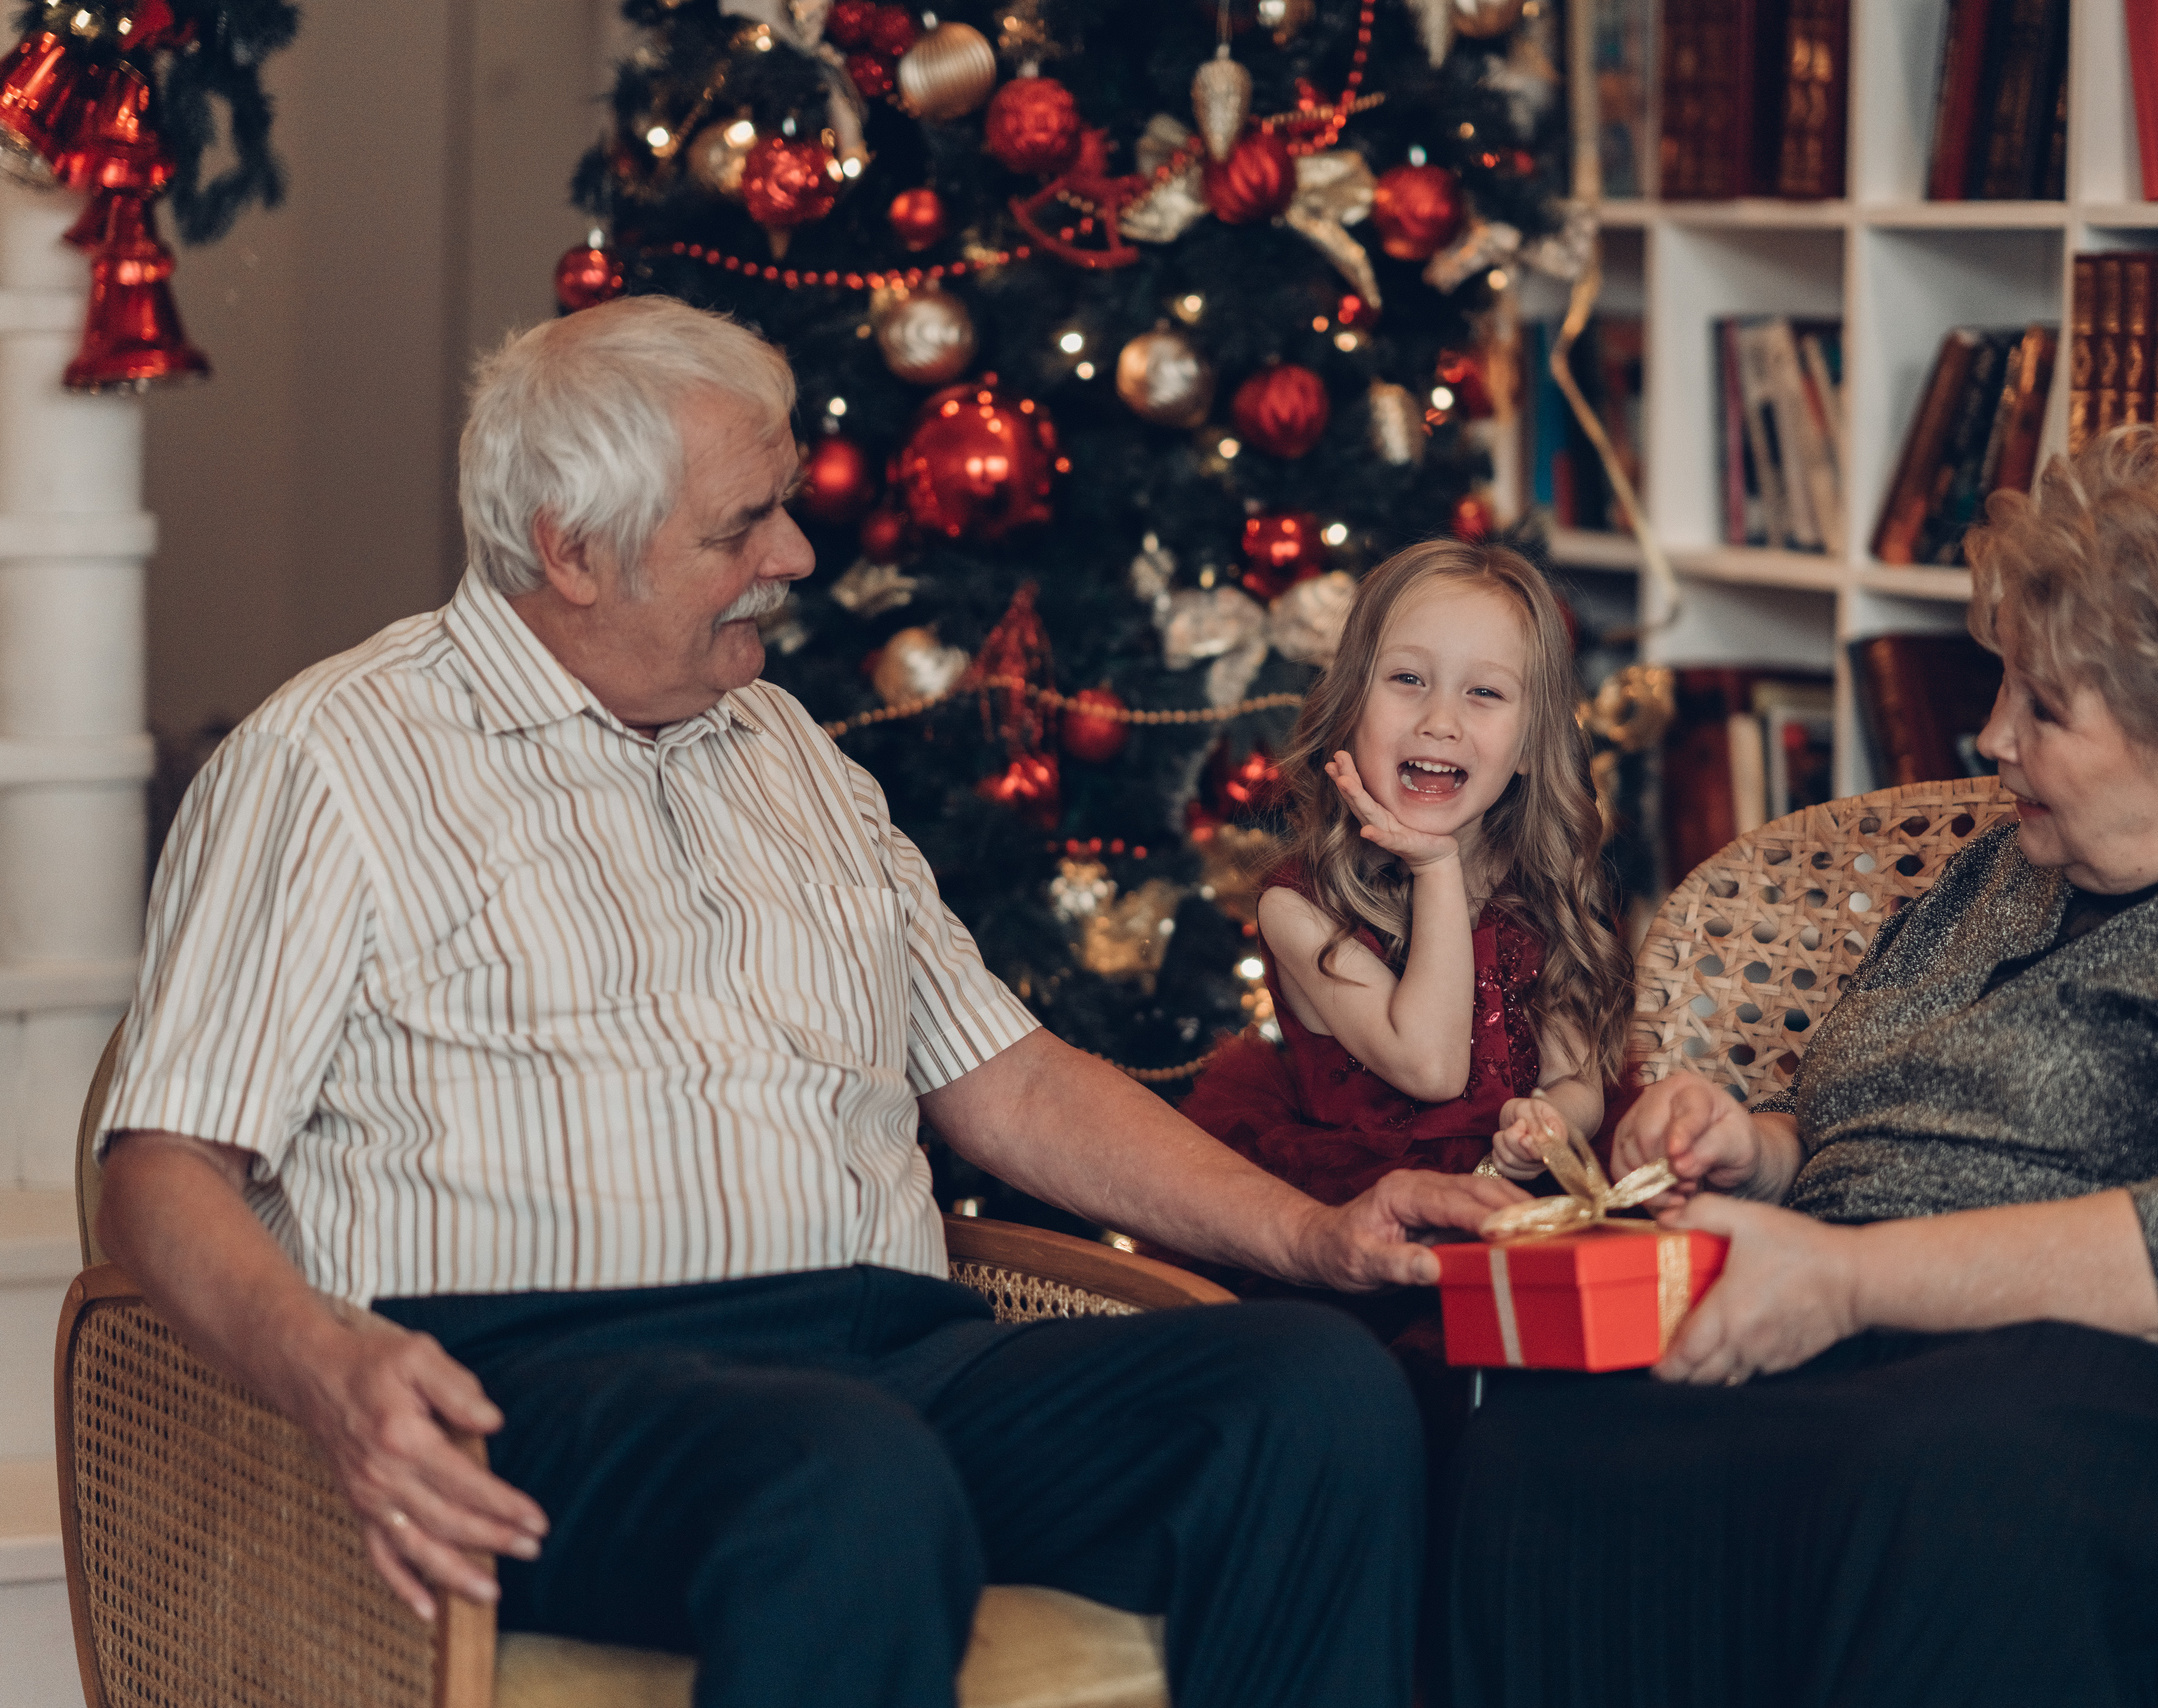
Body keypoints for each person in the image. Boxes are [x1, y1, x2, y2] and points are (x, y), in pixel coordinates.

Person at [90, 296, 1523, 1708]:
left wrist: (1312, 1235)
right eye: (739, 529)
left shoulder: (785, 749)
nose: (796, 553)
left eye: (783, 507)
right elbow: (163, 1168)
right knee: (837, 1471)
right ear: (571, 551)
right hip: (542, 1389)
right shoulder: (333, 758)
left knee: (1312, 1399)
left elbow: (1010, 1082)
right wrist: (327, 1366)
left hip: (890, 1354)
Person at [1444, 429, 2158, 1708]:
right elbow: (1879, 1119)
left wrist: (1848, 1280)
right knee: (1549, 1426)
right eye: (2004, 685)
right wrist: (1763, 1146)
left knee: (1960, 1461)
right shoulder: (2010, 870)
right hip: (1919, 1368)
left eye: (2045, 707)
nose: (1990, 734)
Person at [1178, 539, 1633, 1205]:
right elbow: (1432, 1066)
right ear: (1351, 707)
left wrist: (1552, 1122)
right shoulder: (1299, 909)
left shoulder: (1536, 891)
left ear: (1532, 746)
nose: (1440, 721)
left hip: (1525, 1209)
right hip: (1377, 1223)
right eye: (1408, 680)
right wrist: (1436, 866)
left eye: (1484, 692)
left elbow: (1576, 1079)